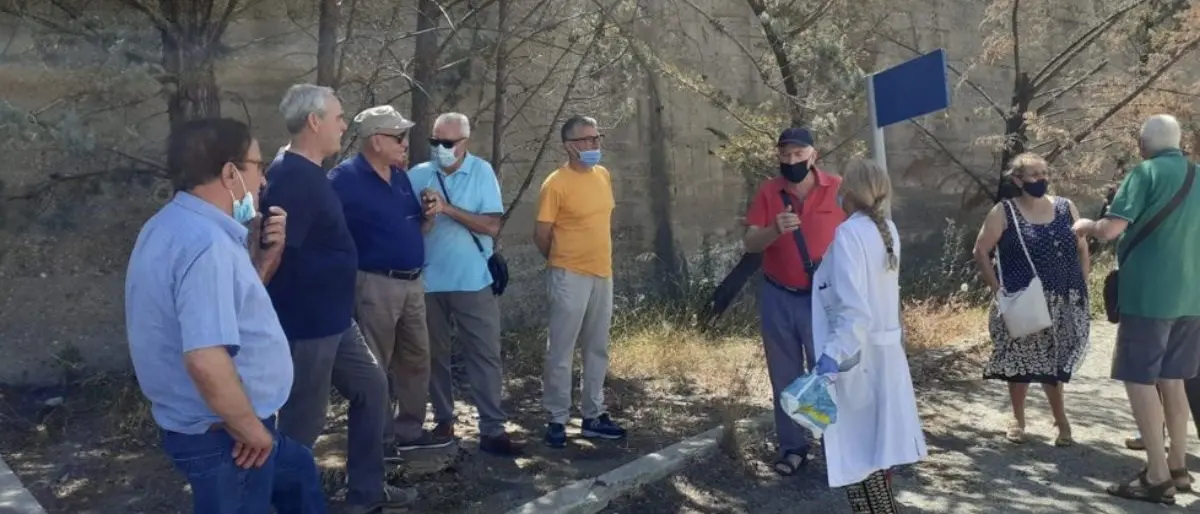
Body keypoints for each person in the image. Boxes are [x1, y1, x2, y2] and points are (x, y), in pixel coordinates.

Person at [125, 118, 326, 513]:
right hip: (228, 435)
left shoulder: (169, 226)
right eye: (258, 165)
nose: (264, 179)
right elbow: (204, 356)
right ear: (230, 172)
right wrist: (251, 430)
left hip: (217, 425)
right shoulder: (207, 245)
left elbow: (221, 311)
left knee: (298, 472)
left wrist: (265, 261)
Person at [261, 84, 417, 512]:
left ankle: (366, 494)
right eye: (339, 117)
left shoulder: (310, 172)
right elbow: (273, 258)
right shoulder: (291, 177)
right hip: (307, 326)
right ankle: (280, 504)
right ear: (314, 121)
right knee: (300, 428)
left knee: (372, 387)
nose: (345, 125)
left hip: (336, 321)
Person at [1074, 114, 1200, 505]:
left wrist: (1086, 225)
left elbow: (1111, 229)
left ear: (1144, 143)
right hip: (1191, 296)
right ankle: (1178, 468)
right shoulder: (1197, 175)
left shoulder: (1144, 173)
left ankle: (1157, 476)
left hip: (1149, 294)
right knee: (1173, 379)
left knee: (1140, 380)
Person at [328, 105, 454, 455]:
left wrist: (429, 213)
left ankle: (409, 431)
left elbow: (417, 225)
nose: (405, 144)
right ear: (377, 140)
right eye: (399, 137)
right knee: (374, 366)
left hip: (413, 283)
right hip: (374, 284)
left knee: (416, 358)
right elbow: (325, 230)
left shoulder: (399, 176)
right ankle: (378, 440)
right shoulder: (343, 179)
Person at [811, 158, 926, 513]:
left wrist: (829, 360)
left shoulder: (849, 234)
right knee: (870, 453)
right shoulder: (886, 229)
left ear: (850, 190)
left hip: (855, 359)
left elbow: (854, 311)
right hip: (883, 357)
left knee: (858, 455)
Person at [408, 112, 525, 456]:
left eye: (448, 143)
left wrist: (447, 209)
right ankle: (444, 420)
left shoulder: (482, 172)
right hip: (428, 283)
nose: (440, 149)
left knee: (485, 355)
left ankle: (492, 429)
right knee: (432, 357)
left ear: (464, 143)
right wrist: (426, 217)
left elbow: (491, 226)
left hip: (473, 281)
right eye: (435, 142)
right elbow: (409, 229)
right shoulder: (417, 175)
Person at [742, 127, 845, 475]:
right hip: (779, 295)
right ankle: (793, 448)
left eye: (798, 155)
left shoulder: (839, 188)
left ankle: (837, 447)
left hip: (823, 300)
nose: (791, 161)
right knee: (785, 377)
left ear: (814, 155)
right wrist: (774, 230)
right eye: (785, 155)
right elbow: (751, 242)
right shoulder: (770, 192)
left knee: (828, 374)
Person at [971, 152, 1090, 446]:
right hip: (1023, 298)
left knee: (1055, 362)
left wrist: (1081, 286)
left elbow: (1082, 250)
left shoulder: (1066, 208)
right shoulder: (1004, 211)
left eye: (1044, 173)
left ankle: (1061, 420)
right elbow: (981, 251)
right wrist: (998, 291)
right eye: (1033, 175)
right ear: (1017, 180)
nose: (1041, 179)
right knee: (1020, 361)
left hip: (1063, 299)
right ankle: (1018, 418)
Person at [532, 115, 627, 448]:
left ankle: (593, 415)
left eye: (596, 138)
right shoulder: (555, 183)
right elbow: (542, 234)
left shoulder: (603, 175)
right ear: (569, 146)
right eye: (585, 140)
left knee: (597, 348)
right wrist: (560, 262)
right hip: (568, 274)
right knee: (561, 349)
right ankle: (557, 418)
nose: (593, 145)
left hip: (603, 272)